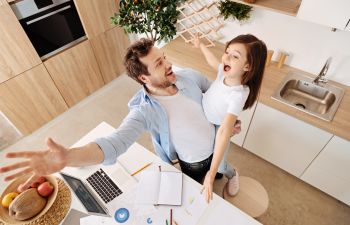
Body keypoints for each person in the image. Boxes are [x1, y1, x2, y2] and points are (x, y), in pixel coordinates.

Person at [0, 38, 241, 192]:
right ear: (143, 78)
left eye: (164, 57)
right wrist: (70, 157)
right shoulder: (144, 110)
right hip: (192, 161)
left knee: (223, 166)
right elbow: (115, 143)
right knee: (200, 186)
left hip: (219, 142)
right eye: (159, 64)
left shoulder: (189, 76)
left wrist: (229, 120)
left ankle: (231, 173)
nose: (169, 64)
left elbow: (216, 96)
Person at [193, 33, 267, 202]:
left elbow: (225, 131)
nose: (226, 58)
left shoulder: (238, 94)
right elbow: (213, 61)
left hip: (218, 125)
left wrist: (211, 176)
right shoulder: (224, 73)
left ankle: (232, 174)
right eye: (227, 52)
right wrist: (201, 45)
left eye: (235, 56)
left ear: (248, 66)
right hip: (205, 116)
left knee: (219, 165)